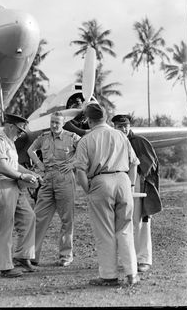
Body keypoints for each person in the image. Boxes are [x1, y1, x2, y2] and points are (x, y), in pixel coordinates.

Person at [75, 103, 140, 286]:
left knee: (105, 232)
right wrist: (131, 184)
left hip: (100, 182)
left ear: (89, 120)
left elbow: (80, 172)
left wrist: (89, 190)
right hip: (123, 180)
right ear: (105, 118)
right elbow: (134, 163)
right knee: (125, 229)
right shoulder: (120, 134)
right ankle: (132, 274)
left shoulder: (86, 140)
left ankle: (109, 276)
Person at [0, 113, 43, 278]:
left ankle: (23, 256)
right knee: (5, 226)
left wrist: (30, 173)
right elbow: (2, 166)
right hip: (1, 182)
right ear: (10, 126)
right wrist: (22, 177)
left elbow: (13, 164)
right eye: (19, 130)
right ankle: (4, 267)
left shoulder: (9, 142)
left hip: (13, 183)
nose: (20, 134)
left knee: (28, 217)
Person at [27, 111, 81, 266]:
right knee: (38, 217)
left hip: (65, 178)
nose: (54, 125)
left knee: (66, 219)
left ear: (63, 123)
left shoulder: (72, 137)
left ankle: (65, 255)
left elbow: (86, 149)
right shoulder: (43, 137)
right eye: (52, 122)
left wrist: (73, 163)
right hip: (47, 178)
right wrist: (39, 164)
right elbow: (30, 150)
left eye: (57, 122)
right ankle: (32, 256)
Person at [111, 114, 162, 273]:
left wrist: (130, 174)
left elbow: (148, 165)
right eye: (120, 126)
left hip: (139, 185)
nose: (124, 129)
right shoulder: (113, 141)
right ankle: (129, 258)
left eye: (126, 126)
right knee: (123, 222)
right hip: (119, 184)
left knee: (141, 222)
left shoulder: (139, 141)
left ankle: (143, 259)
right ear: (114, 127)